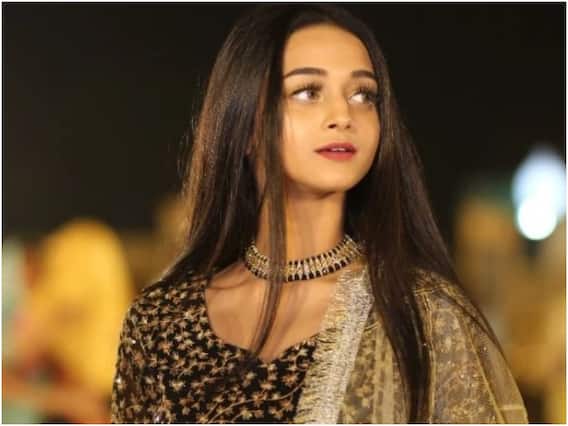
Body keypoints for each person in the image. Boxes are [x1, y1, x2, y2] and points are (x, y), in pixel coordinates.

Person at [111, 5, 528, 423]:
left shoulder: (423, 318)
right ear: (245, 123)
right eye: (308, 91)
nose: (343, 116)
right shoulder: (161, 322)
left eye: (363, 95)